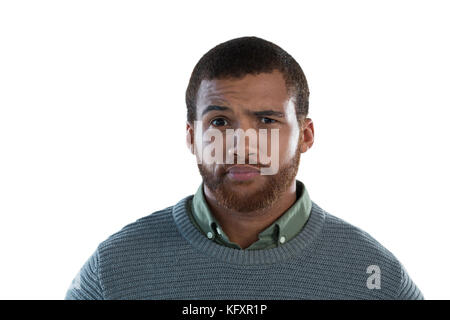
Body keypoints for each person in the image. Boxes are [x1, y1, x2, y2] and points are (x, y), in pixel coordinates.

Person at [65, 36, 424, 300]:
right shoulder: (114, 270)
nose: (241, 144)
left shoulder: (374, 277)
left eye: (267, 120)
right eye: (220, 122)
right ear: (192, 138)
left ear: (306, 135)